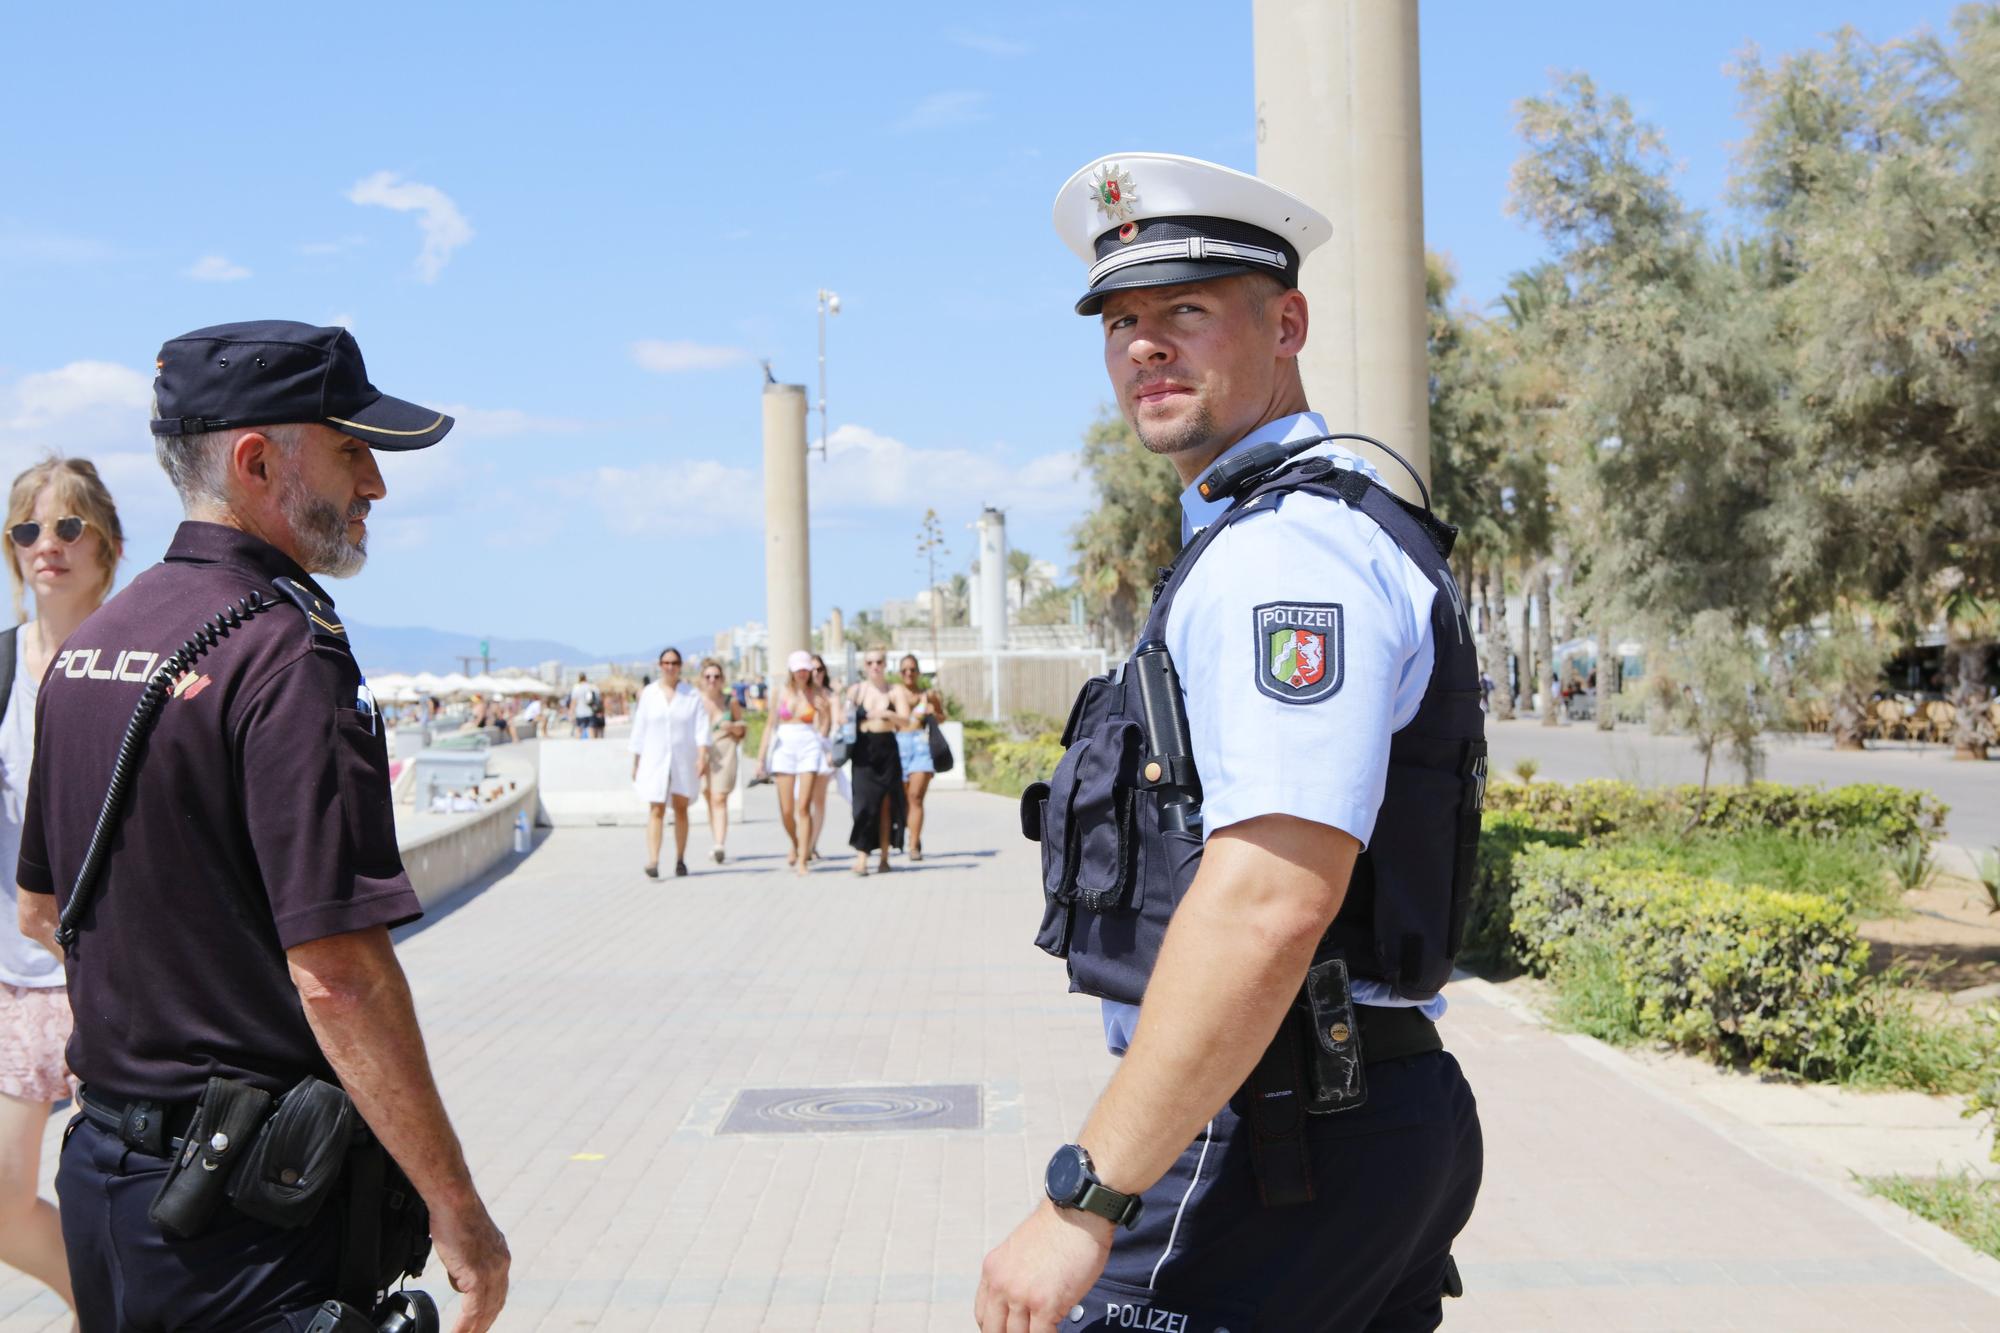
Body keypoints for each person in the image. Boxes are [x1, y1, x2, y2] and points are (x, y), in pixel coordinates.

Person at [976, 157, 1482, 1332]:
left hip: (1278, 1137)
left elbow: (1267, 895)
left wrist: (1083, 1197)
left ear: (1286, 323)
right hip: (1343, 1116)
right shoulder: (1290, 528)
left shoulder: (1283, 558)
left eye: (1186, 312)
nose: (1144, 347)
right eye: (1121, 322)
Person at [16, 321, 508, 1331]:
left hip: (108, 1183)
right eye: (351, 449)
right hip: (240, 1217)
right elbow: (339, 974)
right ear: (254, 461)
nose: (375, 484)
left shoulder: (94, 646)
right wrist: (460, 1215)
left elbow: (40, 907)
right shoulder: (283, 652)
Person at [0, 457, 125, 1316]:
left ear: (106, 543)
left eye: (69, 526)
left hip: (113, 981)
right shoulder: (4, 666)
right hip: (13, 978)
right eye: (28, 529)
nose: (49, 545)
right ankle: (101, 1306)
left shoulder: (132, 660)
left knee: (121, 1199)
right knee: (4, 1203)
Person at [630, 648, 704, 879]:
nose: (670, 667)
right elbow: (639, 730)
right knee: (656, 807)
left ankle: (680, 858)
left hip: (682, 758)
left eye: (674, 663)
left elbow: (701, 730)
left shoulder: (691, 695)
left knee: (681, 808)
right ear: (660, 665)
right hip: (656, 757)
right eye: (666, 663)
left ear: (680, 665)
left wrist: (703, 756)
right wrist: (636, 761)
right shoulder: (649, 694)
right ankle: (653, 859)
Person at [756, 650, 829, 876]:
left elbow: (824, 728)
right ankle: (798, 844)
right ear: (791, 670)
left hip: (808, 744)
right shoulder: (780, 692)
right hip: (784, 748)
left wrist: (824, 712)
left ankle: (802, 861)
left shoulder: (816, 694)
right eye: (798, 669)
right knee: (787, 810)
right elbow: (770, 725)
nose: (803, 673)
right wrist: (761, 758)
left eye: (806, 669)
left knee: (803, 806)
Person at [844, 651, 906, 876]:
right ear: (865, 665)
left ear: (885, 664)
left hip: (887, 750)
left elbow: (906, 720)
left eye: (879, 662)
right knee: (863, 806)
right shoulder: (856, 691)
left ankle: (884, 858)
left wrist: (886, 714)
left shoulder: (894, 691)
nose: (875, 666)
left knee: (885, 808)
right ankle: (861, 857)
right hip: (863, 752)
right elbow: (844, 718)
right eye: (870, 662)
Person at [892, 654, 946, 862]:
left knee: (915, 797)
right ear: (899, 673)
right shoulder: (895, 695)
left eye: (912, 669)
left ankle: (913, 845)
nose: (908, 673)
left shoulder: (928, 695)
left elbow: (942, 718)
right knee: (905, 800)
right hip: (899, 746)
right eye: (904, 670)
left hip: (922, 747)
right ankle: (911, 834)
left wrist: (933, 712)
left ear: (918, 672)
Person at [695, 659, 745, 864]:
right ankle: (715, 839)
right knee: (708, 796)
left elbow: (742, 727)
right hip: (702, 753)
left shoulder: (730, 701)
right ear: (702, 679)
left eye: (716, 676)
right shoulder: (696, 701)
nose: (712, 680)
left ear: (722, 679)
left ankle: (719, 844)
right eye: (708, 677)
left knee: (719, 797)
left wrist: (731, 727)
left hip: (725, 751)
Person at [807, 653, 841, 858]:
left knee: (818, 801)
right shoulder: (803, 696)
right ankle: (803, 841)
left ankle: (811, 844)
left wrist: (833, 753)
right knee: (801, 801)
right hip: (803, 751)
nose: (816, 673)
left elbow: (835, 726)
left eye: (820, 669)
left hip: (823, 752)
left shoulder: (831, 696)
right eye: (812, 669)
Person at [569, 671, 602, 738]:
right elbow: (598, 700)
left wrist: (571, 713)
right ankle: (593, 747)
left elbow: (573, 702)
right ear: (586, 678)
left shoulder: (576, 688)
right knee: (591, 730)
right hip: (591, 711)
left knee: (579, 730)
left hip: (579, 712)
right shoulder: (592, 687)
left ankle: (577, 747)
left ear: (579, 678)